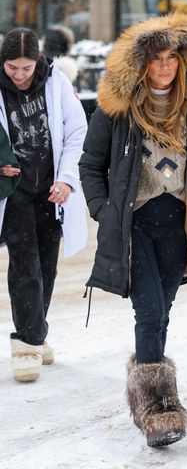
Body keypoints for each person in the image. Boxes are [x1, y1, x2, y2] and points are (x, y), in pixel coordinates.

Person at [79, 12, 187, 447]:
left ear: (182, 62)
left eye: (171, 58)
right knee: (148, 310)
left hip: (180, 227)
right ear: (141, 64)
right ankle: (157, 409)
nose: (164, 66)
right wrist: (104, 212)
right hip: (136, 225)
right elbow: (91, 166)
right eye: (155, 59)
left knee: (161, 309)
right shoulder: (118, 110)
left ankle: (145, 382)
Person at [0, 27, 88, 383]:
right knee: (25, 264)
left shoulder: (56, 84)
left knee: (47, 265)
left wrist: (66, 179)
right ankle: (26, 343)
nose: (20, 76)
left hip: (51, 189)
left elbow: (77, 132)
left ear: (38, 61)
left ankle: (36, 332)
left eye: (26, 68)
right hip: (14, 190)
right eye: (12, 68)